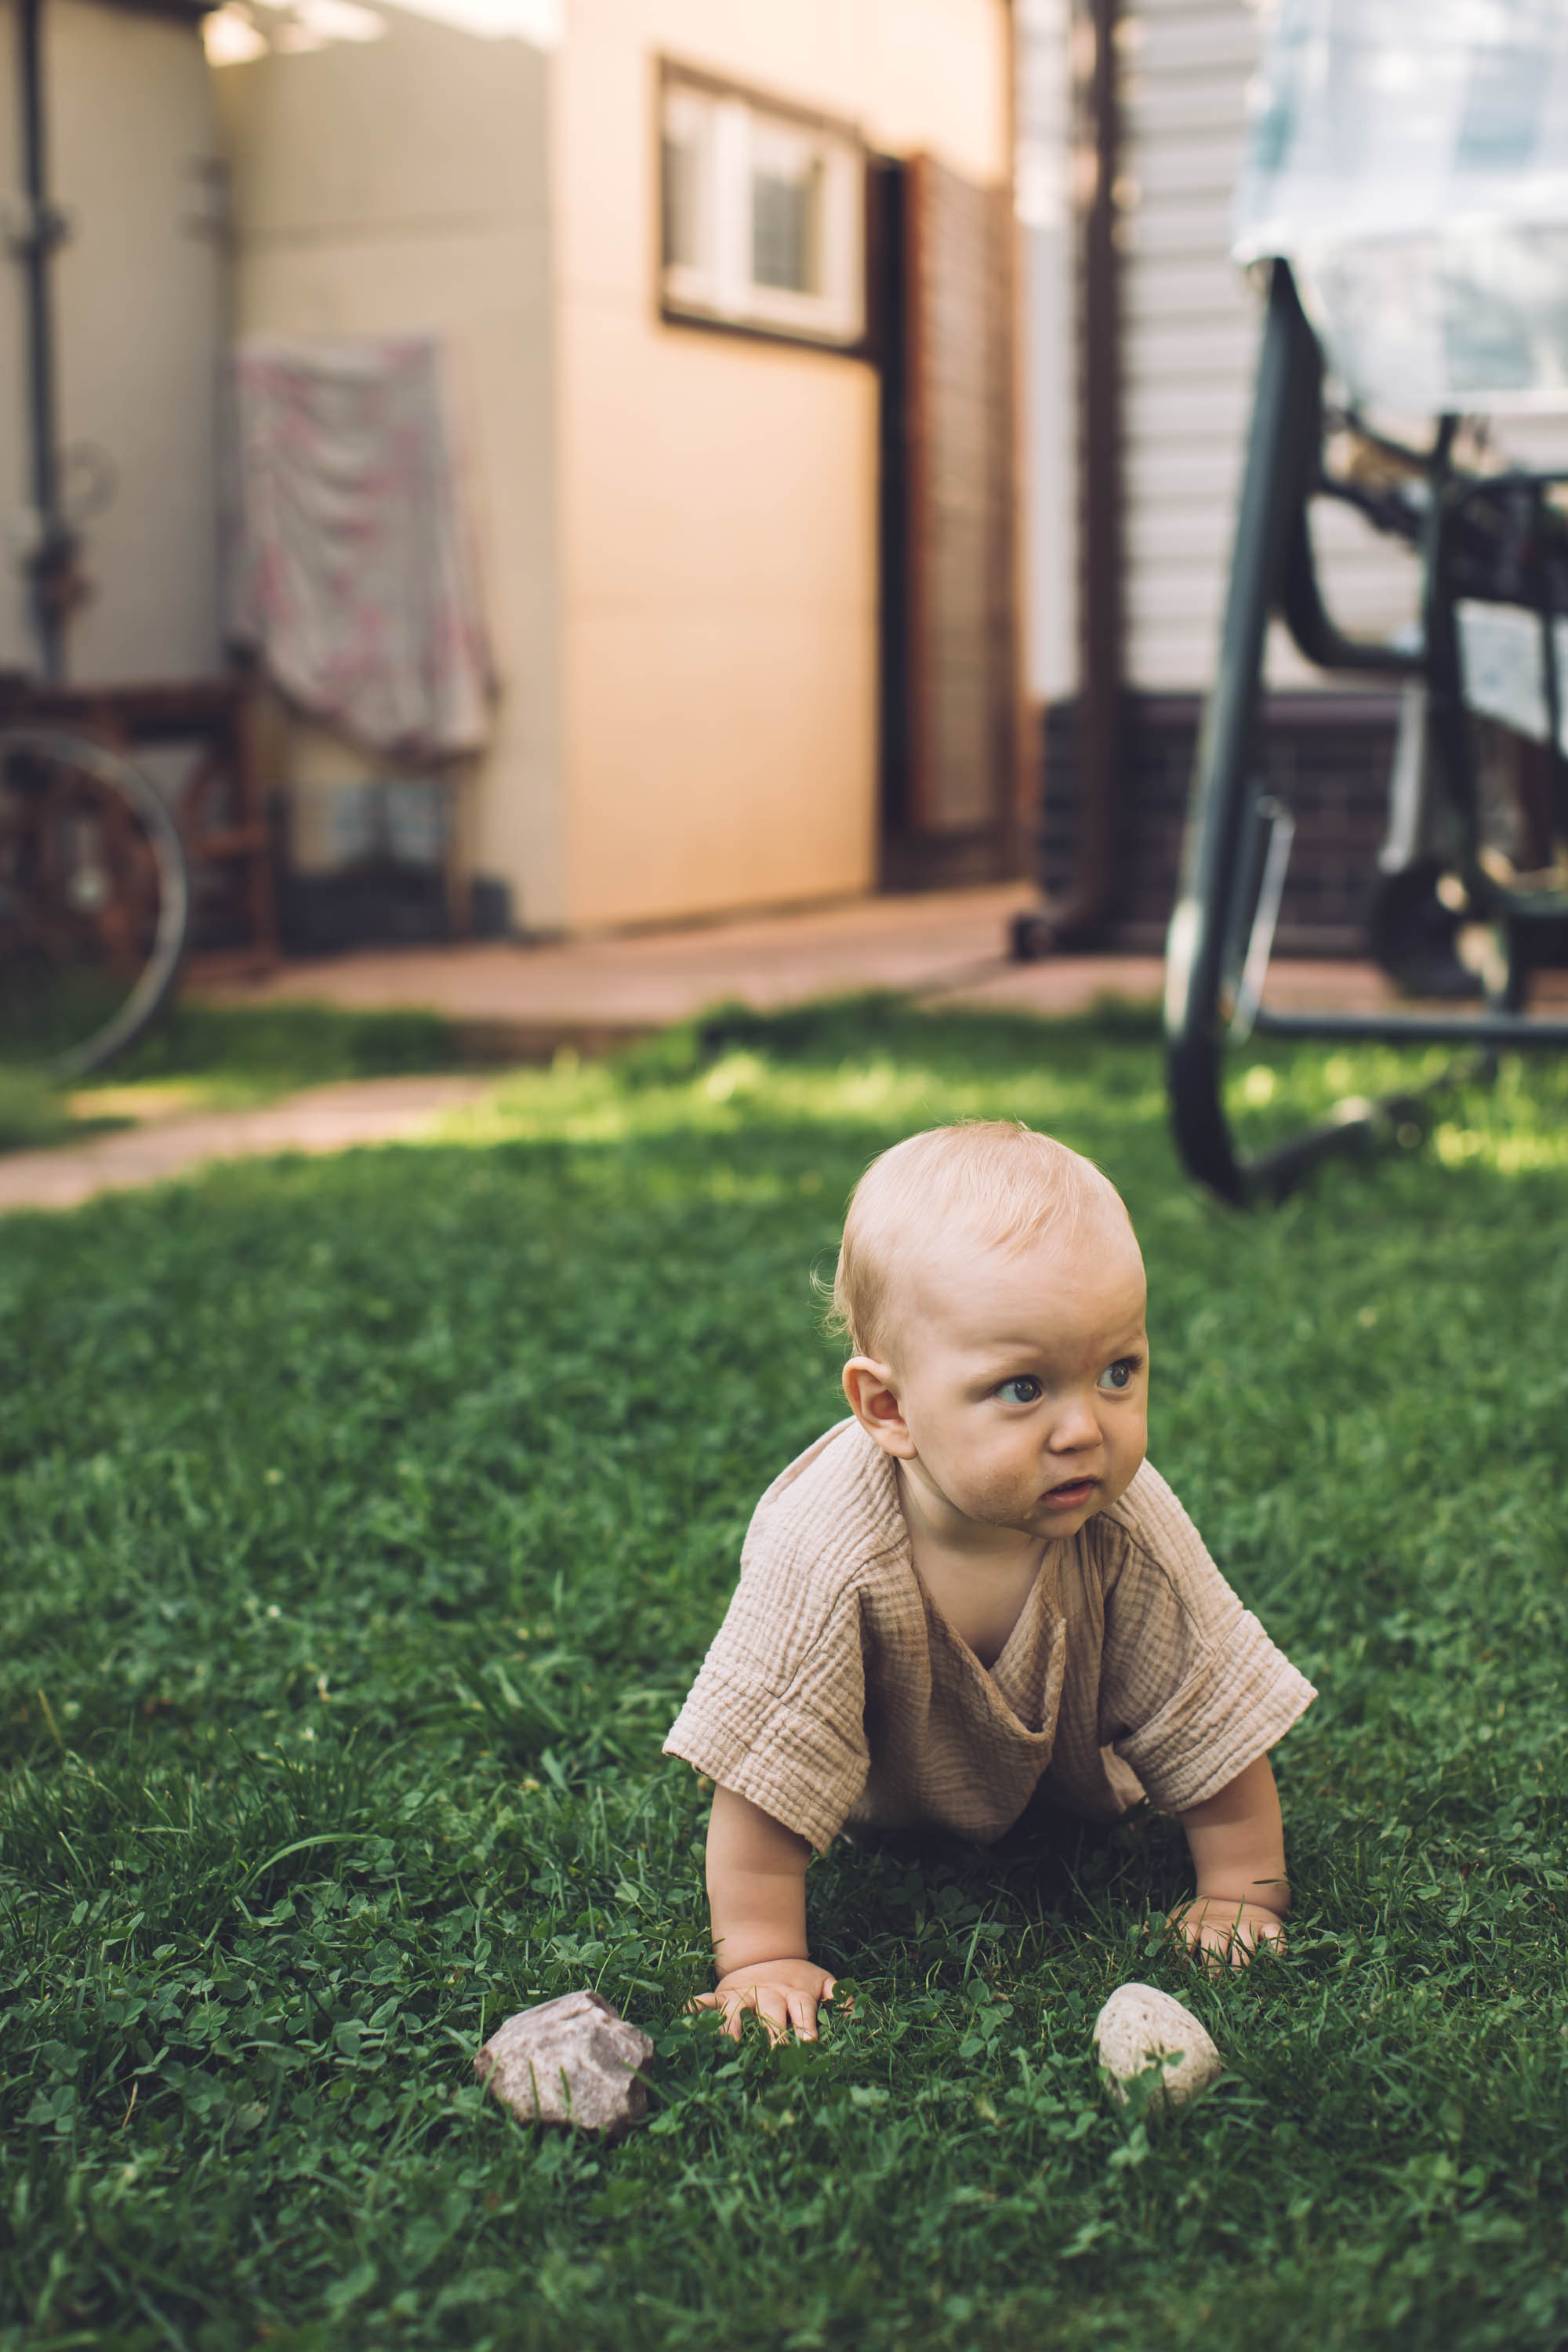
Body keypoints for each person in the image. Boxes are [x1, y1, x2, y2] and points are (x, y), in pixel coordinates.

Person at [664, 1120, 1316, 2044]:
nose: (1083, 1429)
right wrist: (763, 1956)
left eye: (1116, 1372)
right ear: (888, 1408)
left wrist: (1241, 1893)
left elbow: (1202, 1702)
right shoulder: (825, 1548)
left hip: (1084, 1802)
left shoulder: (1122, 1518)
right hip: (882, 1813)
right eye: (1022, 1388)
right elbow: (764, 1769)